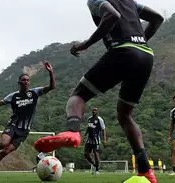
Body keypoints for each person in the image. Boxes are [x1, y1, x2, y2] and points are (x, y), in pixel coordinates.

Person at [33, 1, 163, 182]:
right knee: (125, 115)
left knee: (78, 96)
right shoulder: (130, 2)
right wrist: (140, 41)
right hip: (146, 56)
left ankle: (72, 130)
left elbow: (112, 15)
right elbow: (157, 18)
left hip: (122, 51)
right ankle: (146, 172)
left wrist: (86, 44)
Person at [84, 107, 106, 175]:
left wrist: (104, 139)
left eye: (95, 110)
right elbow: (88, 127)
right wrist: (85, 135)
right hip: (89, 139)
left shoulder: (100, 120)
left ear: (97, 112)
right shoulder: (89, 119)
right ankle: (94, 164)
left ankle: (97, 170)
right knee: (86, 154)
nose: (94, 111)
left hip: (96, 139)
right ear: (92, 111)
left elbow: (103, 130)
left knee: (96, 154)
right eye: (93, 110)